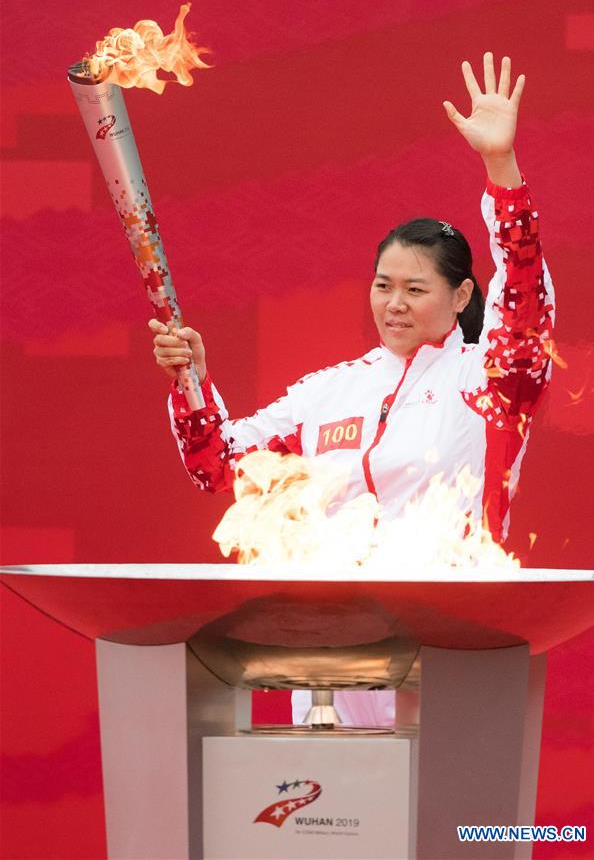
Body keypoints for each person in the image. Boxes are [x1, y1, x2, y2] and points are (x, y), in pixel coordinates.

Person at [149, 53, 555, 727]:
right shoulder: (330, 391)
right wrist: (189, 378)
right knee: (337, 822)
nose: (393, 304)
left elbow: (524, 293)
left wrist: (501, 170)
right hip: (335, 661)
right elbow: (216, 461)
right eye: (382, 285)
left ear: (459, 296)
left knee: (451, 828)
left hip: (449, 640)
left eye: (415, 289)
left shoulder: (487, 378)